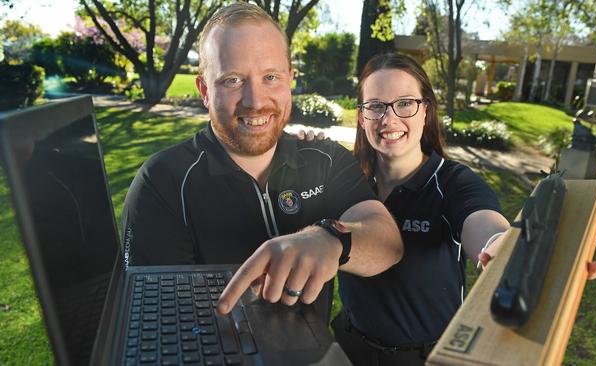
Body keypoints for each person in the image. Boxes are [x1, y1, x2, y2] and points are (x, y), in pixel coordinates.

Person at [120, 3, 403, 321]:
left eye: (271, 77)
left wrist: (331, 237)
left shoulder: (325, 159)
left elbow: (387, 242)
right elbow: (154, 317)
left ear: (290, 80)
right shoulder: (163, 182)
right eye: (232, 81)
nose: (255, 101)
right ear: (204, 90)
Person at [323, 53, 596, 366]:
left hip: (427, 357)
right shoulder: (346, 180)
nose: (389, 119)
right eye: (375, 106)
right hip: (349, 350)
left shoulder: (453, 183)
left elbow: (485, 226)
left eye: (405, 103)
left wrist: (503, 248)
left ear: (425, 111)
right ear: (361, 117)